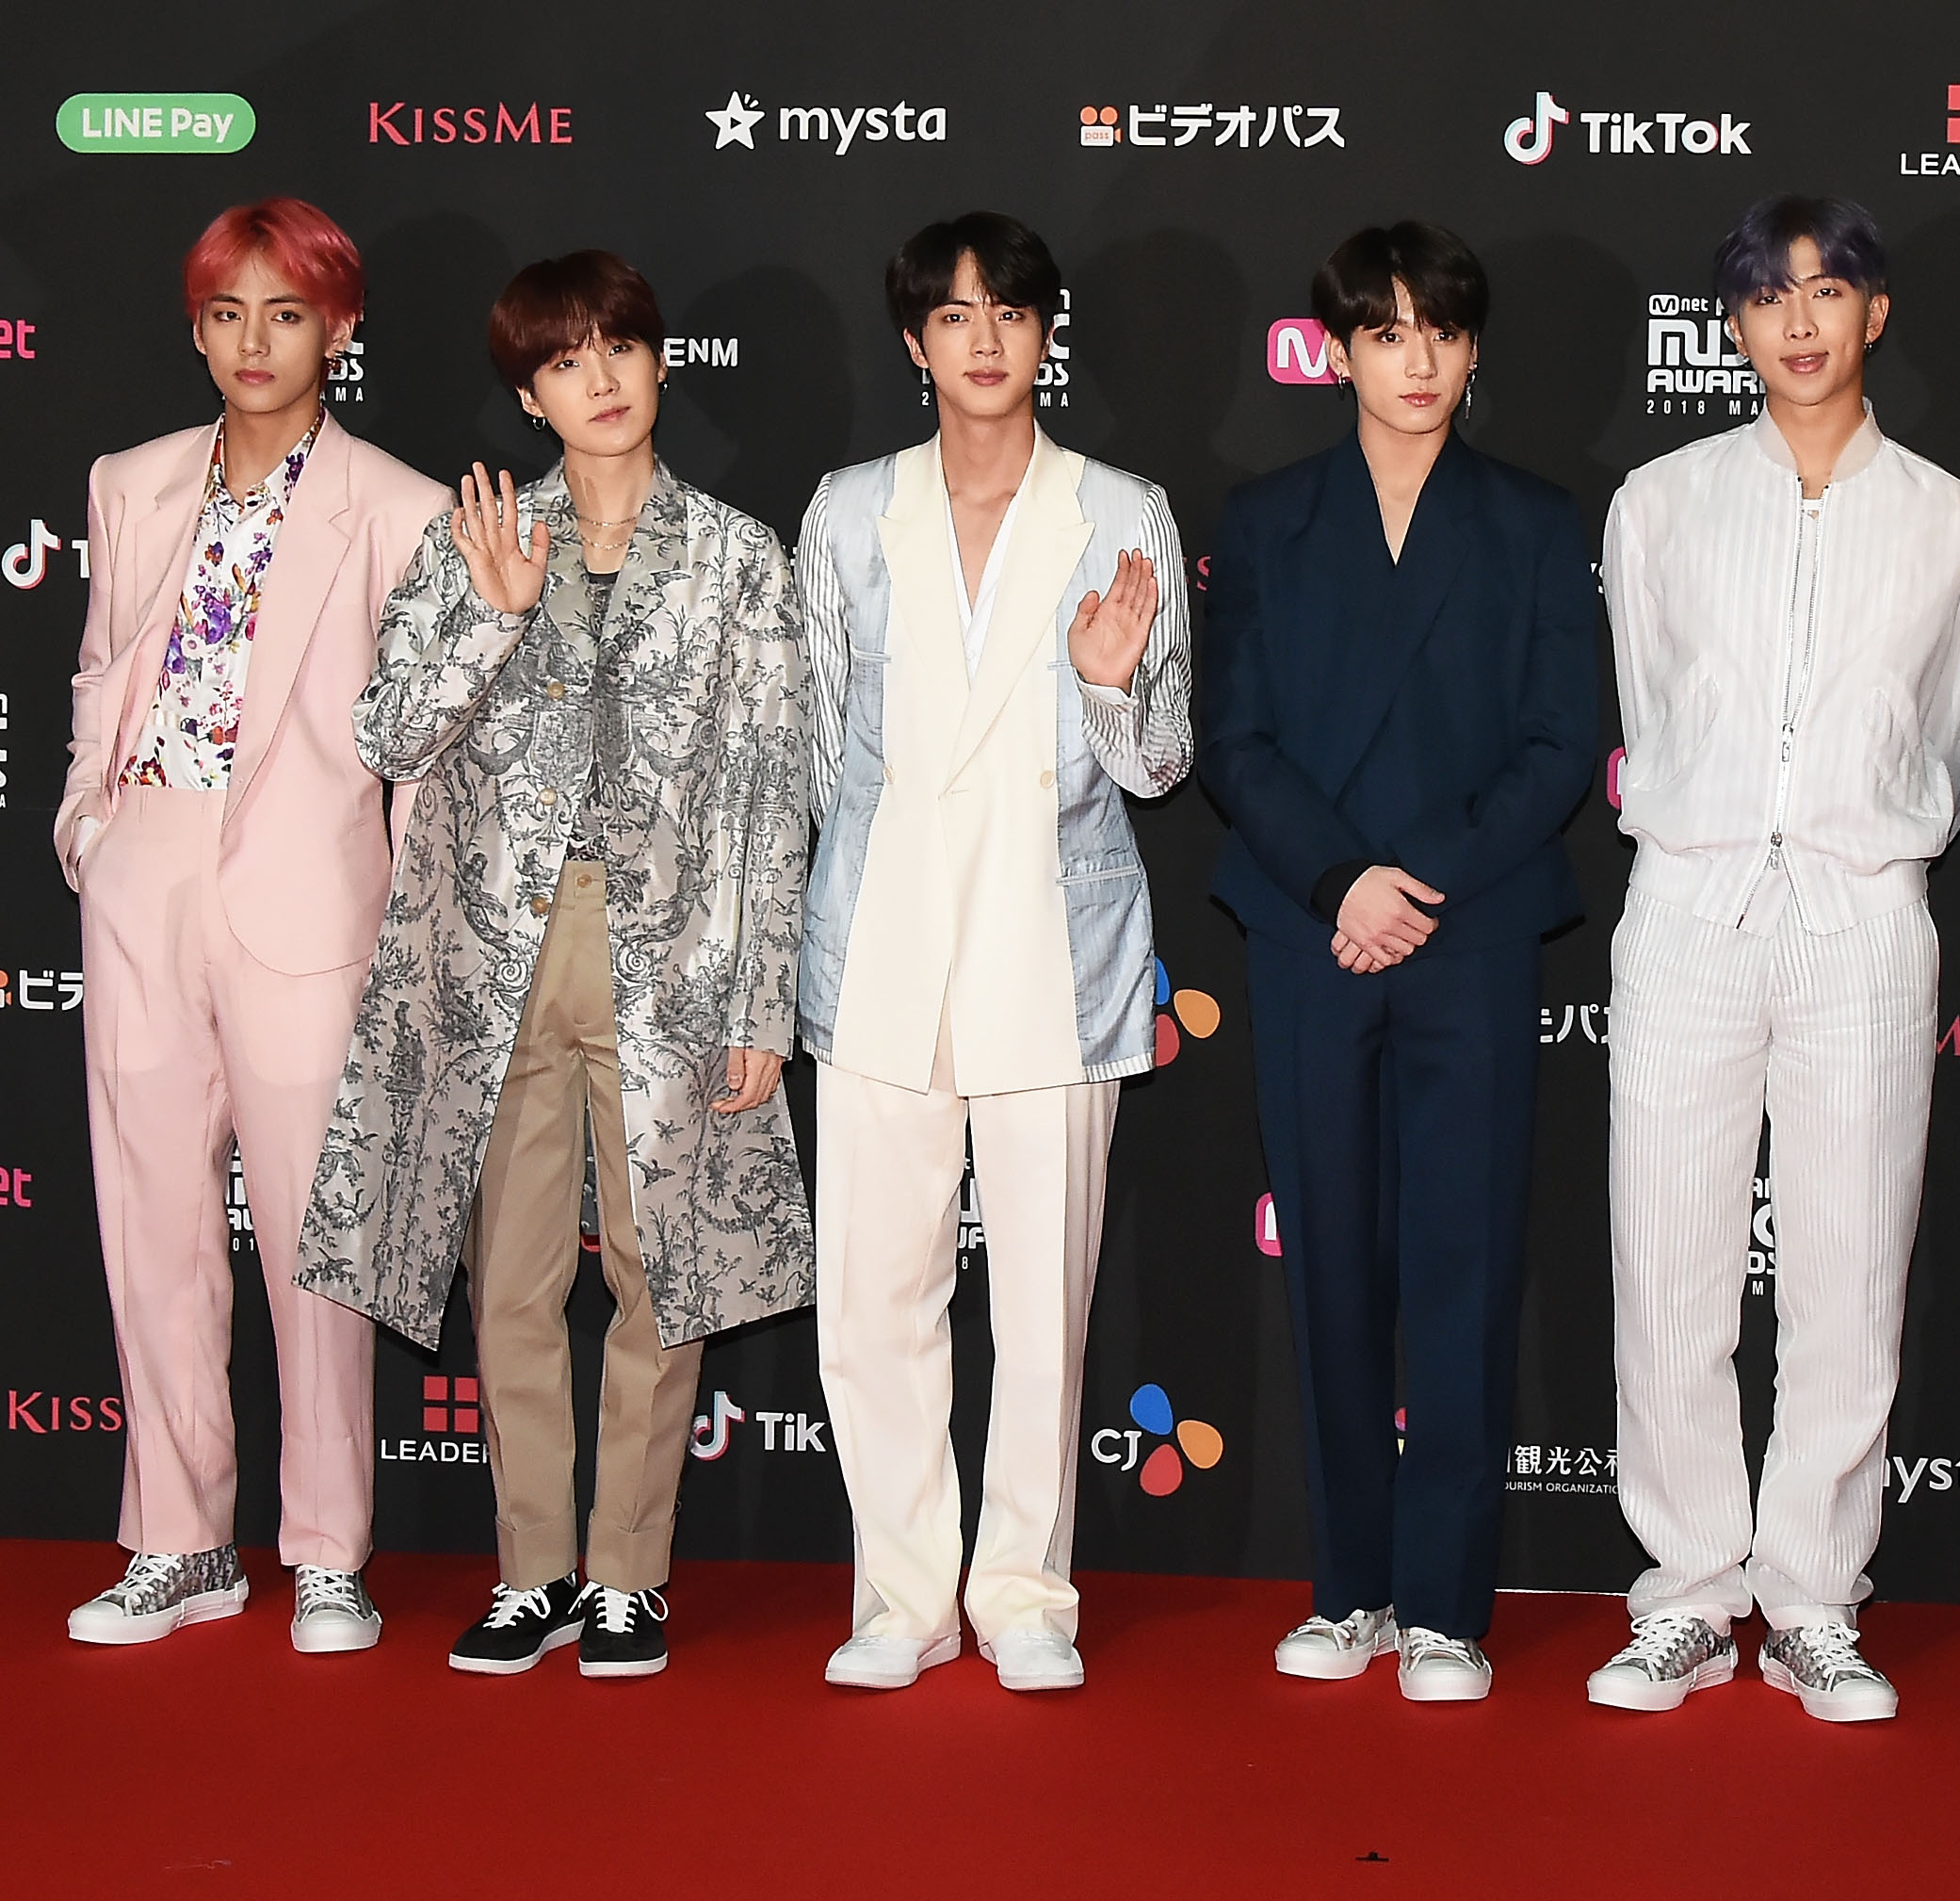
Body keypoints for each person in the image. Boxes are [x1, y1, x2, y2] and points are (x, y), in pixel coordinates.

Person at [296, 252, 814, 1680]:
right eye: (565, 359)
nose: (601, 378)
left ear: (658, 361)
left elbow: (774, 793)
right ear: (530, 395)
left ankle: (629, 1575)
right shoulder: (474, 540)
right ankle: (533, 1571)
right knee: (510, 1280)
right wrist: (493, 613)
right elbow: (387, 734)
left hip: (674, 960)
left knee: (661, 1274)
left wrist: (761, 996)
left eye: (620, 347)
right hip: (496, 958)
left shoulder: (737, 558)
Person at [1587, 195, 1960, 1723]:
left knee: (1850, 1274)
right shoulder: (1659, 504)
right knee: (1669, 1268)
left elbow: (1957, 742)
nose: (1802, 322)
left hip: (1865, 919)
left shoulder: (1959, 527)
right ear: (1737, 325)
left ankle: (1819, 1596)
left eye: (1829, 292)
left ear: (1875, 313)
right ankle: (1690, 1594)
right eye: (1769, 296)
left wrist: (1855, 832)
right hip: (1689, 908)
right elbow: (1650, 705)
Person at [1201, 223, 1596, 1702]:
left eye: (1441, 330)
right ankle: (1350, 1588)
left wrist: (1413, 882)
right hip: (1311, 931)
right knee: (1333, 1270)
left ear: (1473, 348)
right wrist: (1341, 881)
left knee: (1464, 1265)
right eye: (1386, 331)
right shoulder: (1268, 518)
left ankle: (1444, 1605)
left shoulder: (1534, 520)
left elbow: (1561, 738)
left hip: (1468, 932)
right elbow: (1236, 736)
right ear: (1338, 351)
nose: (1416, 357)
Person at [797, 213, 1191, 1696]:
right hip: (882, 948)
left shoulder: (1123, 510)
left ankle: (1027, 1591)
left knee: (1043, 1313)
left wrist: (1109, 688)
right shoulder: (848, 512)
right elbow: (813, 750)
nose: (985, 340)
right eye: (956, 316)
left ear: (1044, 334)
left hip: (1053, 951)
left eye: (1011, 314)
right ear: (916, 341)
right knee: (873, 1304)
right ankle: (901, 1596)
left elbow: (1162, 762)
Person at [57, 199, 446, 1654]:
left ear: (338, 327)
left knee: (312, 1240)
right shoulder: (130, 482)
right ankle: (180, 1540)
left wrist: (404, 919)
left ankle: (329, 1548)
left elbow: (424, 747)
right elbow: (100, 668)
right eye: (229, 314)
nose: (254, 342)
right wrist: (90, 826)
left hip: (310, 896)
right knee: (150, 1223)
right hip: (144, 877)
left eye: (285, 313)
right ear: (198, 328)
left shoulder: (398, 507)